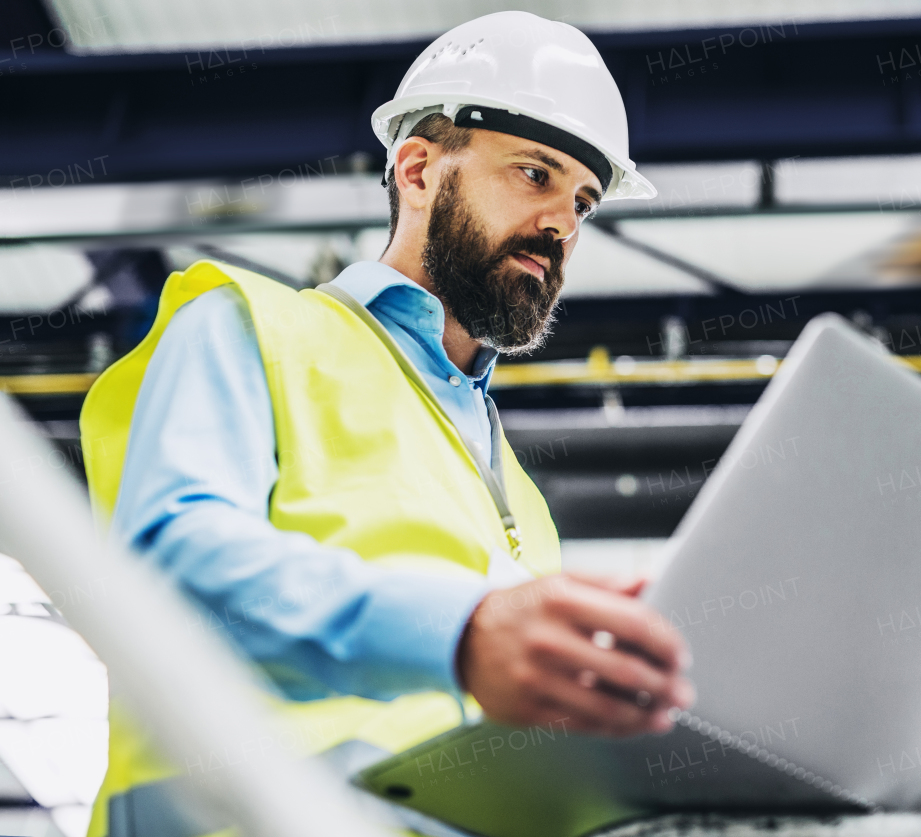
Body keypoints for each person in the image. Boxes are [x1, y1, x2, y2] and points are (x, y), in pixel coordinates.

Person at [80, 12, 693, 837]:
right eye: (533, 173)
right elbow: (171, 568)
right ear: (416, 170)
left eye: (582, 200)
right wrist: (459, 632)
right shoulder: (249, 324)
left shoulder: (515, 491)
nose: (563, 223)